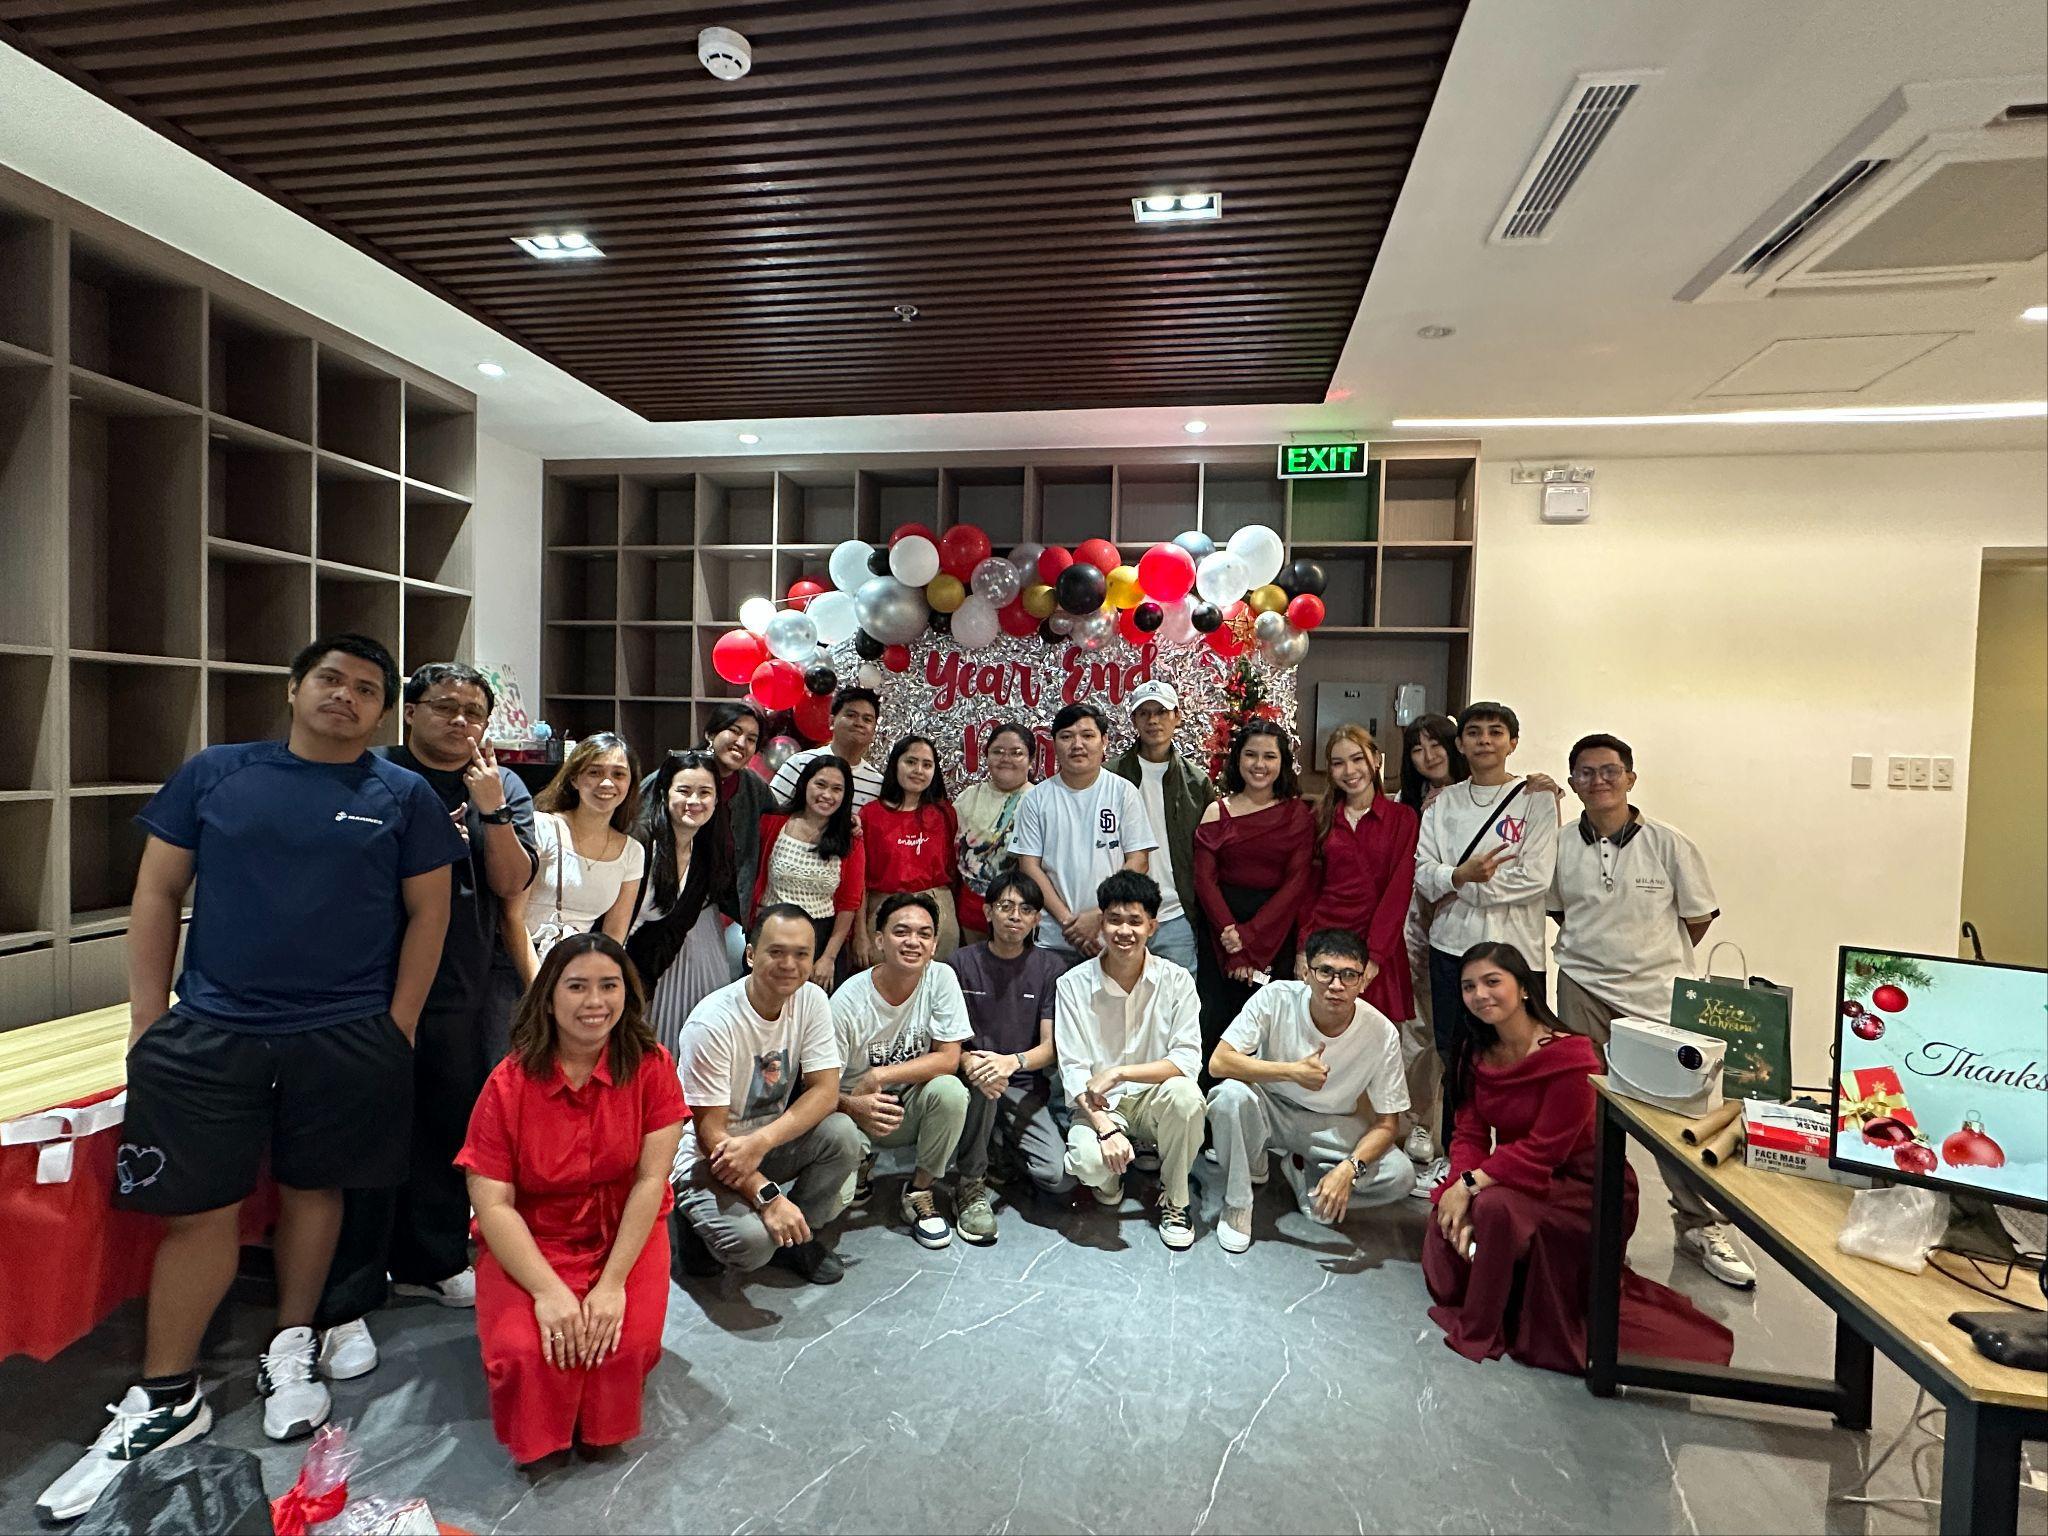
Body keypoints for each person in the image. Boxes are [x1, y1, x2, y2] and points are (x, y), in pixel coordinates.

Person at [37, 635, 464, 1524]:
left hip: (345, 1032)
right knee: (201, 1208)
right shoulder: (216, 774)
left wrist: (399, 1024)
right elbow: (157, 892)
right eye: (330, 680)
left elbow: (428, 914)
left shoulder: (402, 796)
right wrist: (148, 1017)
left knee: (316, 1189)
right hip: (214, 1026)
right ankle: (167, 1393)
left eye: (366, 689)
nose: (345, 696)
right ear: (294, 688)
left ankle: (292, 1344)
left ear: (382, 711)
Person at [316, 662, 541, 1385]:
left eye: (474, 711)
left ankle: (433, 1260)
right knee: (367, 1137)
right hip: (368, 984)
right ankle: (347, 1297)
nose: (460, 721)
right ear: (409, 711)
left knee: (448, 1127)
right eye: (445, 706)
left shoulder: (500, 784)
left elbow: (511, 884)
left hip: (459, 983)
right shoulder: (370, 775)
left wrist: (491, 810)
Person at [1423, 944, 1733, 1375]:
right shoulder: (1475, 1051)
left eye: (1492, 982)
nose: (1480, 995)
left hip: (1583, 1185)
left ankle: (1485, 1324)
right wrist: (1458, 1186)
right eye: (1468, 987)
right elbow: (1470, 1133)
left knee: (1493, 1209)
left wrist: (1470, 1185)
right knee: (1445, 1226)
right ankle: (1505, 1289)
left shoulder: (1570, 1056)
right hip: (1514, 1172)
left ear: (1525, 988)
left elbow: (1546, 1148)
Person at [457, 933, 685, 1467]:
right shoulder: (508, 1084)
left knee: (624, 1346)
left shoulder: (652, 1065)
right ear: (548, 998)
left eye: (609, 986)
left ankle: (595, 1413)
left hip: (624, 1231)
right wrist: (546, 1290)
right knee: (524, 1353)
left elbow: (650, 1182)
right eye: (577, 986)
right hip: (535, 1237)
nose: (595, 1002)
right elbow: (492, 1205)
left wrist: (611, 1284)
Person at [1547, 733, 1755, 1289]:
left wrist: (1646, 960)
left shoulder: (1669, 844)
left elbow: (1697, 918)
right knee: (1584, 1110)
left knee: (1675, 1116)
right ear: (1573, 783)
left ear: (1631, 778)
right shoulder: (1560, 844)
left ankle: (1698, 1226)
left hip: (1658, 997)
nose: (1599, 781)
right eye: (1586, 773)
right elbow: (1561, 911)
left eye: (1610, 771)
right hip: (1582, 987)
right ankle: (1586, 1217)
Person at [670, 905, 864, 1284]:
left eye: (801, 954)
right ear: (750, 954)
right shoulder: (712, 1022)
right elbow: (710, 1134)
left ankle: (798, 1236)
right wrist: (768, 1197)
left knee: (842, 1133)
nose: (789, 964)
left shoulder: (811, 1000)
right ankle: (691, 1219)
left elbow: (825, 1092)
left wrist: (762, 1142)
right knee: (754, 1246)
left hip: (762, 1144)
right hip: (708, 1157)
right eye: (776, 952)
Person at [1412, 701, 1558, 1178]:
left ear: (1512, 742)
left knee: (1521, 1060)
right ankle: (1457, 1160)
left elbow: (1535, 877)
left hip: (1516, 954)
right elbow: (1424, 872)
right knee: (1456, 1059)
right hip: (1451, 947)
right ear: (1461, 743)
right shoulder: (1443, 802)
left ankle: (1517, 1164)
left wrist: (1462, 883)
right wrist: (1458, 876)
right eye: (1474, 732)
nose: (1485, 741)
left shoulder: (1536, 799)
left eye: (1496, 732)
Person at [1206, 929, 1414, 1251]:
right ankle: (1237, 1202)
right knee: (1228, 1097)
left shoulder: (1382, 1032)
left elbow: (1388, 1123)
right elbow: (1219, 1062)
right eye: (1325, 971)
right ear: (1306, 973)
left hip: (1330, 1125)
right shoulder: (1276, 997)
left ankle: (1308, 1178)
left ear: (1363, 982)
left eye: (1349, 975)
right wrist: (1292, 1072)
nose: (1336, 985)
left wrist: (1350, 1169)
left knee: (1401, 1175)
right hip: (1269, 1106)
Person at [1298, 725, 1425, 1167]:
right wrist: (1303, 950)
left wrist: (1375, 955)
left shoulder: (1402, 818)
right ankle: (1319, 1148)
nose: (1349, 770)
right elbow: (1309, 891)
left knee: (1376, 1052)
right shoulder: (1320, 817)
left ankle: (1368, 1154)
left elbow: (1399, 889)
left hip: (1376, 950)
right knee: (1324, 1046)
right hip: (1325, 947)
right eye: (1338, 762)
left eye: (1357, 759)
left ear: (1376, 761)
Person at [1055, 871, 1204, 1249]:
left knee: (1187, 1096)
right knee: (1088, 1163)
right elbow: (1073, 1070)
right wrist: (1104, 1128)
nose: (1124, 931)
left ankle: (1176, 1198)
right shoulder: (1071, 985)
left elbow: (1187, 1059)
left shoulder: (1177, 981)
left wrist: (1120, 1072)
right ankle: (1111, 1178)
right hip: (1100, 1105)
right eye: (1114, 920)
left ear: (1152, 926)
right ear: (1101, 923)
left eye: (1135, 921)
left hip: (1155, 1100)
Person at [830, 893, 972, 1249]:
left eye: (924, 934)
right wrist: (854, 1105)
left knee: (951, 1091)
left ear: (934, 945)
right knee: (833, 1206)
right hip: (854, 1109)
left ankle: (919, 1191)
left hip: (907, 1104)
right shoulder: (848, 1000)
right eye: (901, 932)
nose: (913, 941)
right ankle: (859, 1160)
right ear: (879, 940)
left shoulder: (941, 977)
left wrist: (880, 1075)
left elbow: (948, 1059)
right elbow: (816, 1086)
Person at [949, 870, 1076, 1242]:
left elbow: (1050, 1048)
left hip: (1021, 1084)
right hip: (970, 1081)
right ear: (988, 912)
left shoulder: (1050, 968)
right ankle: (970, 1182)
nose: (1015, 916)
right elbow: (943, 1039)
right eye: (1005, 906)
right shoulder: (959, 964)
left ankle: (1000, 1148)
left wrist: (1013, 1061)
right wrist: (970, 1062)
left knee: (1057, 1177)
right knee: (984, 1081)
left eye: (1026, 909)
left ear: (1037, 919)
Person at [1192, 721, 1316, 1065]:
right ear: (1237, 759)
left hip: (1274, 930)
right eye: (1251, 755)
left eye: (1269, 756)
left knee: (1269, 1026)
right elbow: (1204, 880)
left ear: (1283, 762)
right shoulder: (1217, 811)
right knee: (1215, 1021)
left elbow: (1296, 884)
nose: (1259, 764)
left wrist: (1249, 939)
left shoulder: (1298, 815)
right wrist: (1229, 936)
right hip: (1220, 930)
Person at [1011, 703, 1156, 965]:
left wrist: (1099, 915)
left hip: (1113, 936)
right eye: (1067, 736)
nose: (1077, 744)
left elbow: (1138, 861)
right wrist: (1070, 923)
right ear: (1055, 743)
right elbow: (1029, 867)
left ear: (1104, 741)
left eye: (1087, 735)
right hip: (1055, 939)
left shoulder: (1123, 792)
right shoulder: (1036, 799)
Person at [509, 733, 645, 988]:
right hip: (514, 967)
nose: (607, 783)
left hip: (575, 975)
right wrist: (538, 987)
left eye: (618, 774)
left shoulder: (632, 852)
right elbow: (511, 917)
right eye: (594, 772)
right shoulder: (542, 828)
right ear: (574, 778)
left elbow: (613, 938)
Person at [627, 750, 738, 1057]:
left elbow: (671, 934)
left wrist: (641, 991)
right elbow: (612, 928)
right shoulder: (641, 841)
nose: (694, 801)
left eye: (705, 793)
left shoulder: (703, 855)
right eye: (684, 791)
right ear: (665, 792)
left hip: (638, 975)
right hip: (607, 961)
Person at [1397, 713, 1466, 1173]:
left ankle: (1463, 1133)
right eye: (1417, 749)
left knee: (1460, 1035)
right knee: (1418, 1028)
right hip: (1415, 925)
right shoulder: (1407, 802)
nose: (1428, 756)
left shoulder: (1477, 798)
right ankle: (1420, 1121)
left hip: (1463, 925)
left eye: (1436, 744)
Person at [1109, 681, 1214, 974]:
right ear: (1134, 720)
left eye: (1161, 712)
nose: (1153, 720)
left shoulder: (1196, 783)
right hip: (1122, 912)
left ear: (1177, 716)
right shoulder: (1111, 776)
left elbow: (1209, 853)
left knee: (1178, 998)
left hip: (1175, 914)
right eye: (1144, 713)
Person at [753, 754, 864, 991]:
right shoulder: (772, 823)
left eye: (837, 789)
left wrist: (829, 958)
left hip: (821, 940)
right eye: (820, 784)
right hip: (772, 931)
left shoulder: (851, 840)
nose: (827, 795)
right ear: (805, 784)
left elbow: (849, 903)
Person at [857, 735, 961, 962]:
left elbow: (954, 871)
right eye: (911, 762)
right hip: (885, 911)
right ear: (896, 764)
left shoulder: (944, 813)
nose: (918, 771)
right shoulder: (871, 815)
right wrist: (860, 934)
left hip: (939, 911)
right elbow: (859, 880)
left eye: (927, 765)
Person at [697, 701, 774, 978]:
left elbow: (785, 820)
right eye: (735, 731)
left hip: (723, 912)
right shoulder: (679, 774)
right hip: (673, 906)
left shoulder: (753, 787)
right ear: (711, 733)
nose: (742, 743)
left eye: (751, 739)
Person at [953, 721, 1035, 944]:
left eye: (1016, 753)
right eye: (997, 752)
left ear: (1030, 760)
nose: (1005, 759)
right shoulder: (969, 796)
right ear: (986, 756)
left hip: (1019, 912)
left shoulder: (1040, 801)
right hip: (969, 908)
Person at [768, 687, 883, 810]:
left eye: (867, 719)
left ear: (874, 730)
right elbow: (771, 812)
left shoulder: (878, 785)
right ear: (832, 722)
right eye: (851, 715)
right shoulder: (800, 763)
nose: (859, 723)